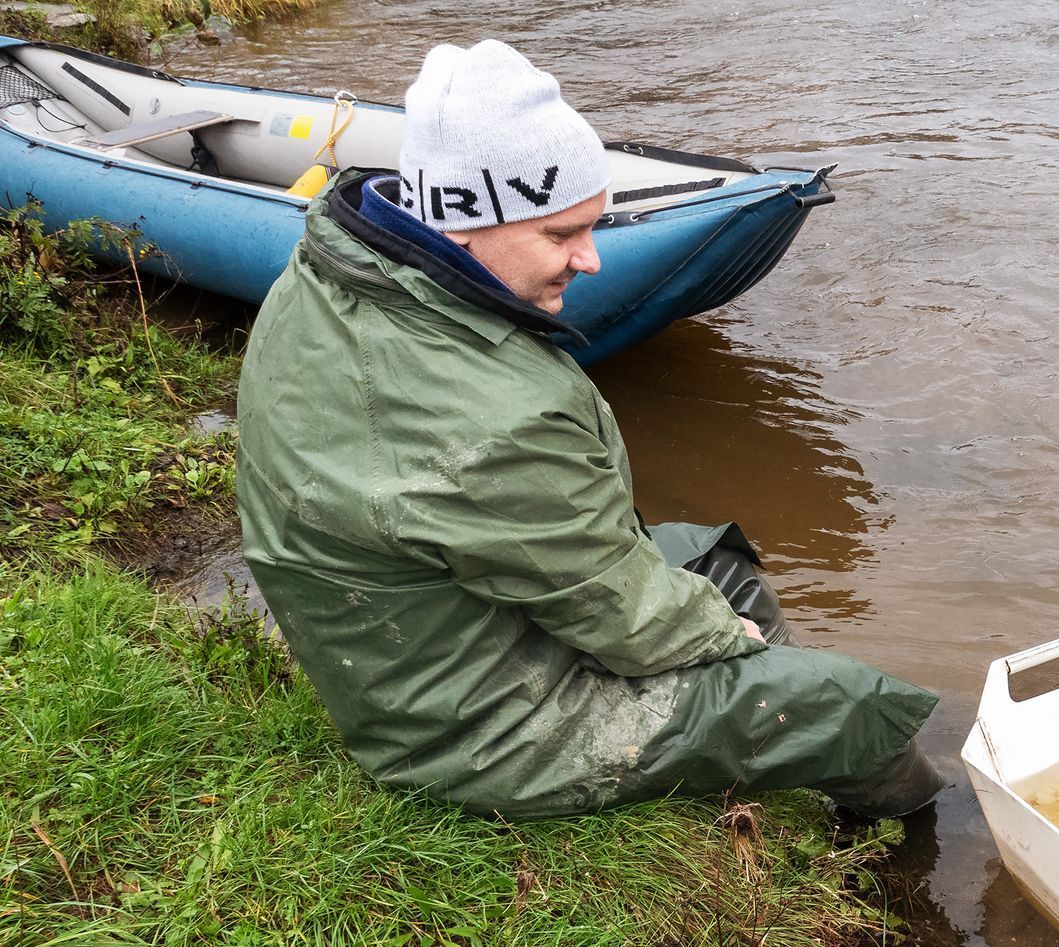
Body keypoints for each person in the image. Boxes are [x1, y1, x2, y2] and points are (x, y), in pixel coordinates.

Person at [235, 40, 942, 821]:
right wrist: (729, 640)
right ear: (465, 222)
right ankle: (913, 835)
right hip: (476, 727)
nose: (591, 259)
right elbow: (625, 615)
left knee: (718, 559)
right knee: (848, 706)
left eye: (593, 226)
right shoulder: (491, 418)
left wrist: (723, 637)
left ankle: (762, 751)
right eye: (560, 234)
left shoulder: (332, 269)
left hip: (416, 638)